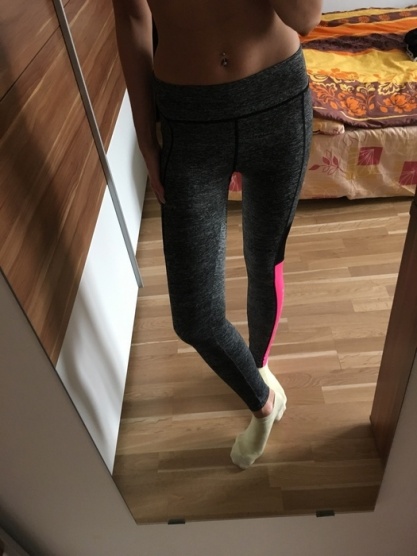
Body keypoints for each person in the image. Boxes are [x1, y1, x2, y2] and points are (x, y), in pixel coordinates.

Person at [112, 0, 323, 469]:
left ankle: (259, 363)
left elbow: (307, 18)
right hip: (187, 121)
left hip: (277, 102)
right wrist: (145, 136)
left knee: (264, 260)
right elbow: (131, 15)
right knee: (195, 317)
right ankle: (262, 401)